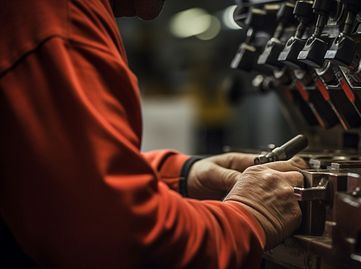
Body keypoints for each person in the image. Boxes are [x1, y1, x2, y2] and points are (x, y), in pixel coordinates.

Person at [0, 0, 307, 268]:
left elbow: (47, 171)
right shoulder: (59, 20)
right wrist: (248, 218)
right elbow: (120, 238)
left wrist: (179, 177)